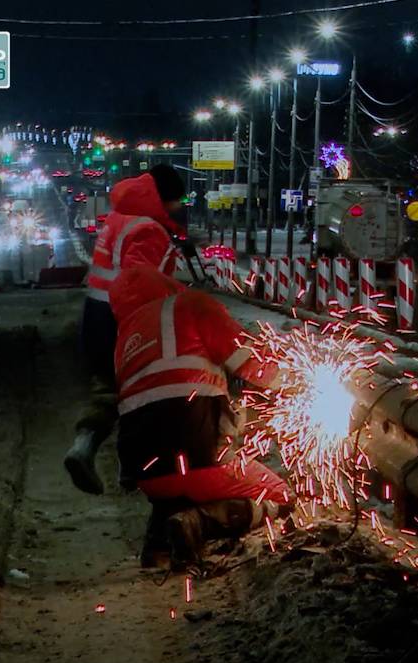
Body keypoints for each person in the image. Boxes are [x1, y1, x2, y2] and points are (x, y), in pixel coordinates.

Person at [107, 266, 288, 567]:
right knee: (282, 497)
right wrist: (297, 380)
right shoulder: (192, 304)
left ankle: (160, 543)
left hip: (146, 476)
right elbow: (255, 365)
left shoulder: (125, 336)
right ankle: (198, 523)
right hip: (201, 459)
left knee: (178, 480)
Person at [65, 165, 186, 494]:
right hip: (124, 318)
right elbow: (140, 283)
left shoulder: (121, 216)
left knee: (105, 388)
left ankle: (83, 447)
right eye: (177, 200)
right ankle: (132, 470)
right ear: (164, 198)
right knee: (140, 393)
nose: (180, 206)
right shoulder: (148, 229)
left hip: (96, 315)